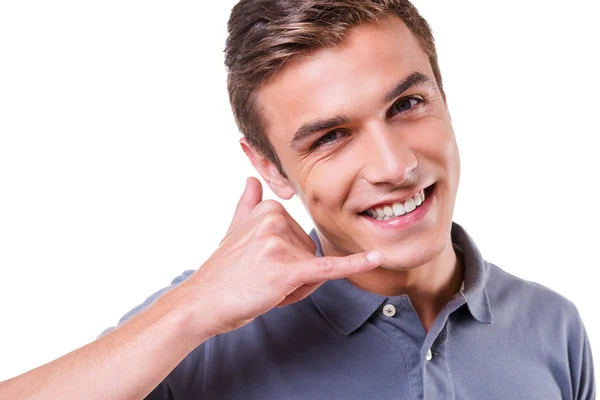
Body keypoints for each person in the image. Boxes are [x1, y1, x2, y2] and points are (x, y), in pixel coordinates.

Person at [0, 0, 595, 399]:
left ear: (443, 95)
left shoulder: (553, 329)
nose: (395, 165)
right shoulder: (206, 333)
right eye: (331, 137)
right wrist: (191, 309)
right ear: (269, 167)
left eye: (407, 104)